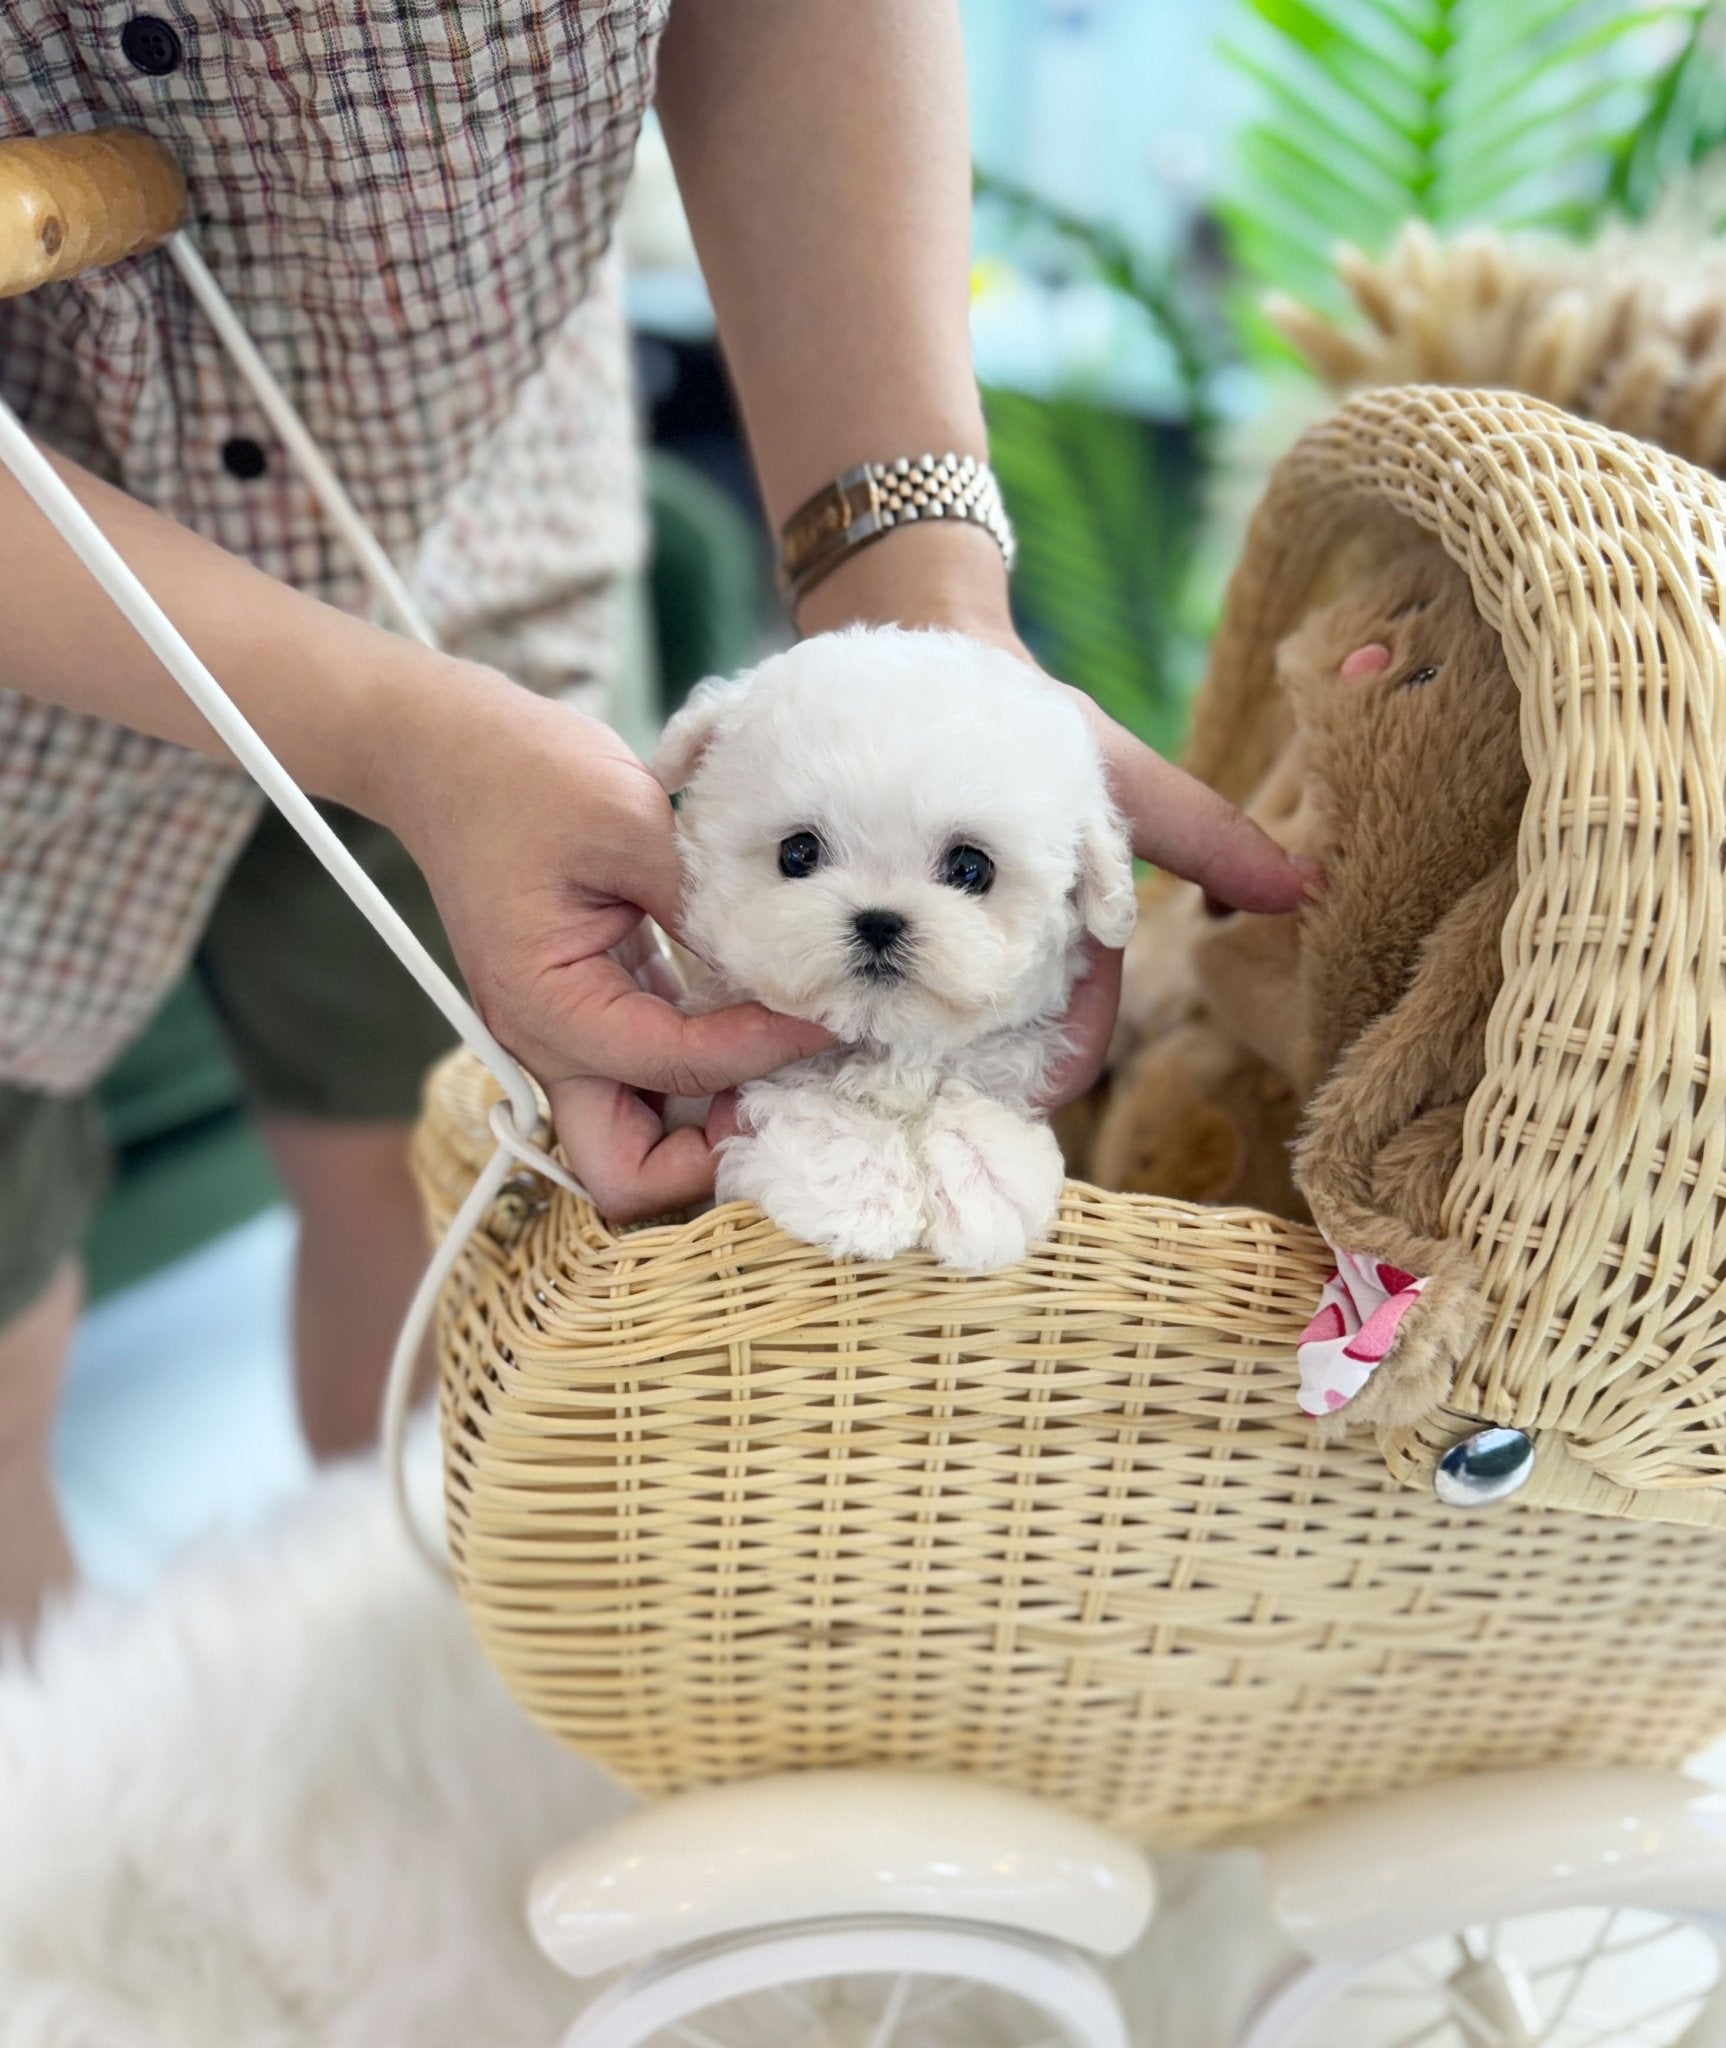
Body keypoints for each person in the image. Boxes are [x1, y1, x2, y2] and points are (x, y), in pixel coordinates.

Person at [0, 0, 1314, 1636]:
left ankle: (446, 1677)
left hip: (464, 513)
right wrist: (393, 732)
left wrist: (914, 598)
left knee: (437, 1223)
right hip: (36, 619)